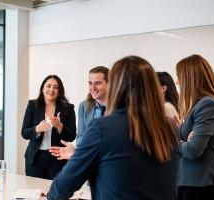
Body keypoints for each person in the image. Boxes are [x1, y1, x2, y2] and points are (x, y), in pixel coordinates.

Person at [45, 56, 180, 200]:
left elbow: (65, 185)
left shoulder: (103, 127)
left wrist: (50, 194)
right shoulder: (170, 127)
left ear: (115, 86)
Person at [176, 54, 214, 200]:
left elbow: (193, 151)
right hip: (195, 182)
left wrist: (176, 143)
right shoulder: (199, 105)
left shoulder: (207, 105)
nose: (177, 81)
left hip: (200, 185)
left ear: (190, 79)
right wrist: (180, 136)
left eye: (179, 78)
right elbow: (186, 143)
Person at [21, 75, 76, 180]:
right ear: (43, 88)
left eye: (56, 87)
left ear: (59, 91)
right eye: (48, 86)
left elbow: (72, 136)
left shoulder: (68, 108)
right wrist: (37, 129)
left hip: (58, 158)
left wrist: (59, 126)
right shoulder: (32, 105)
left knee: (55, 193)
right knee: (35, 193)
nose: (51, 90)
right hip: (35, 158)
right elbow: (24, 132)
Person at [49, 66, 109, 160]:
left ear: (109, 84)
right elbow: (81, 135)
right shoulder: (84, 106)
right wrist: (79, 152)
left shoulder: (120, 107)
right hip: (89, 159)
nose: (92, 88)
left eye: (98, 83)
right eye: (90, 83)